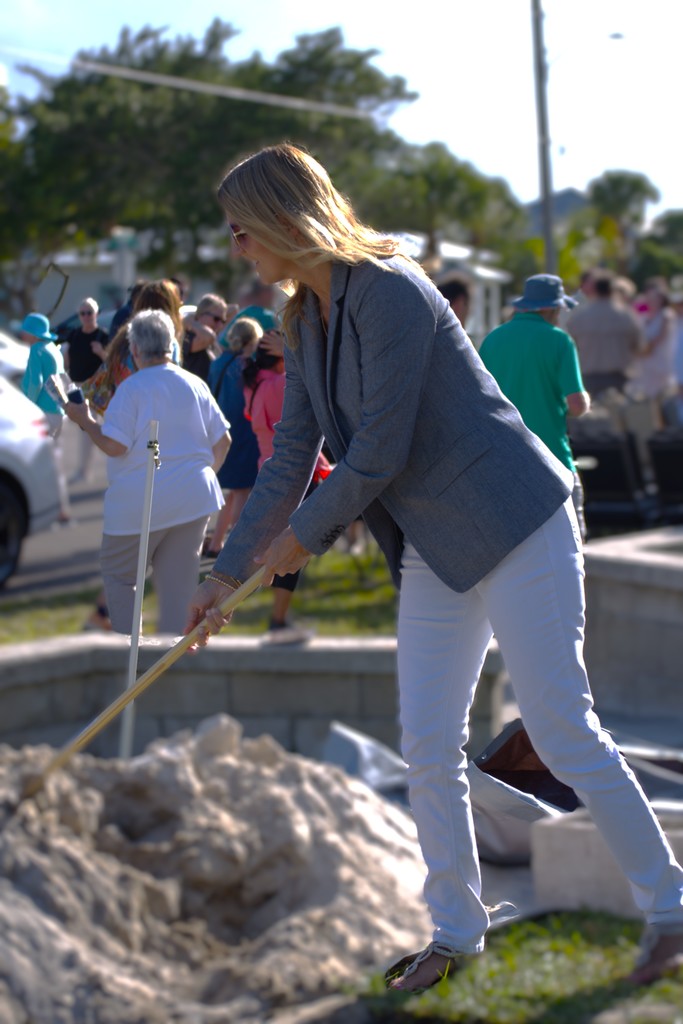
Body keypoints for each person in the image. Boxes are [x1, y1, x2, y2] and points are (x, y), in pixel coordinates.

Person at [185, 143, 683, 990]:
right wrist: (223, 576)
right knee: (425, 742)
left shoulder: (390, 287)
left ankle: (669, 907)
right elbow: (291, 455)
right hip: (435, 547)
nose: (235, 248)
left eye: (240, 229)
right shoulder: (302, 318)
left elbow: (377, 451)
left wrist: (297, 544)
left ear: (281, 218)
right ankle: (455, 932)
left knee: (560, 728)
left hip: (517, 520)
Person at [66, 309, 230, 635]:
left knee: (121, 578)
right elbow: (223, 440)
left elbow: (115, 446)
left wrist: (85, 420)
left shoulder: (132, 389)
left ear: (135, 349)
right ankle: (173, 657)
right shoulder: (194, 384)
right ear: (172, 344)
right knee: (179, 588)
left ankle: (131, 653)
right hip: (194, 497)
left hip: (138, 502)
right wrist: (201, 473)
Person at [479, 274, 590, 540]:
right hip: (552, 458)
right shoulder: (559, 340)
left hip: (503, 458)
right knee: (569, 543)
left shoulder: (492, 339)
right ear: (553, 308)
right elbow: (576, 404)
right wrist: (579, 403)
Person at [204, 316, 264, 558]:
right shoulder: (248, 365)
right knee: (242, 491)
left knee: (233, 492)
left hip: (222, 430)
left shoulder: (218, 363)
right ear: (252, 341)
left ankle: (216, 543)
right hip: (245, 430)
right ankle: (237, 550)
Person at [19, 312, 70, 522]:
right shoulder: (53, 349)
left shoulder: (36, 350)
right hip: (57, 411)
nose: (22, 334)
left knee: (43, 463)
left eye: (25, 331)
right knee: (55, 460)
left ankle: (52, 509)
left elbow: (35, 382)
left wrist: (26, 406)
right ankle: (61, 508)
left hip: (43, 412)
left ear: (33, 333)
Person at [566, 269, 644, 398]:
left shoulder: (581, 316)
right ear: (612, 290)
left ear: (595, 290)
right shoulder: (626, 316)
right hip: (619, 380)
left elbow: (571, 345)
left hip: (589, 380)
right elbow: (639, 346)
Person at [64, 297, 110, 484]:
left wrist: (100, 352)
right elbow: (68, 358)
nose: (86, 316)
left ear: (96, 314)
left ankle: (84, 471)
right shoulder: (74, 334)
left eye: (89, 312)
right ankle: (82, 469)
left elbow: (111, 362)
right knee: (79, 429)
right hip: (76, 386)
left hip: (95, 388)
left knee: (88, 428)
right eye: (82, 313)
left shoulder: (103, 336)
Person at [182, 294, 236, 382]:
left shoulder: (212, 342)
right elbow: (208, 337)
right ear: (201, 314)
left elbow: (234, 310)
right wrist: (189, 321)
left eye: (222, 321)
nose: (220, 325)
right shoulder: (187, 337)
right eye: (216, 319)